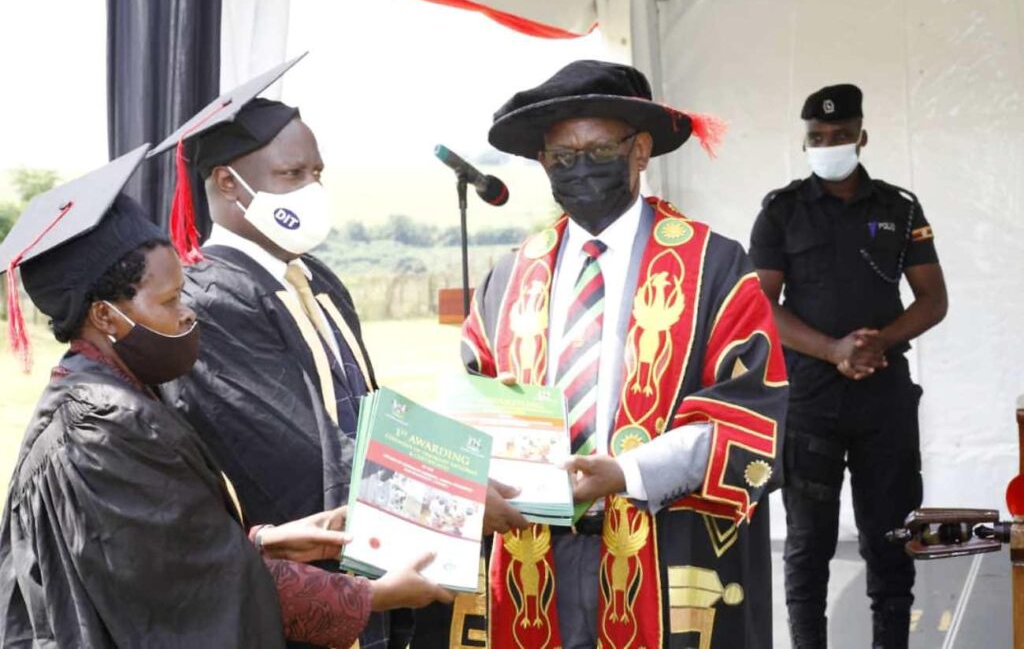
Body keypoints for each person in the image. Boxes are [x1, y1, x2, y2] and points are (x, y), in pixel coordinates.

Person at [0, 148, 452, 648]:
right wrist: (371, 596)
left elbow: (160, 556)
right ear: (106, 317)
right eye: (170, 301)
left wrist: (259, 542)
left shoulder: (106, 396)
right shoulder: (102, 428)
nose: (188, 314)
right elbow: (201, 590)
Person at [153, 56, 525, 648]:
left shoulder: (316, 278)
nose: (311, 189)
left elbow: (371, 413)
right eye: (292, 173)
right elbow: (293, 446)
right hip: (301, 576)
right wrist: (452, 489)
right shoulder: (210, 298)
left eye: (317, 173)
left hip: (370, 552)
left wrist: (473, 456)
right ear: (228, 183)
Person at [460, 60, 789, 649]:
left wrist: (627, 473)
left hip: (664, 547)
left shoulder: (714, 266)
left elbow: (751, 416)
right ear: (542, 162)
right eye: (561, 156)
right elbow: (472, 400)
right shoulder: (509, 278)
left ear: (641, 151)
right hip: (536, 557)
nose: (579, 168)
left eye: (598, 149)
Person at [749, 84, 948, 648]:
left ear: (862, 137)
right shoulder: (782, 211)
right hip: (809, 400)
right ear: (804, 142)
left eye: (839, 136)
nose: (828, 145)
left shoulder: (899, 208)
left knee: (890, 539)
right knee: (808, 547)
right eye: (816, 138)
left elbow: (933, 299)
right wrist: (834, 351)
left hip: (883, 398)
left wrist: (876, 343)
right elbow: (760, 306)